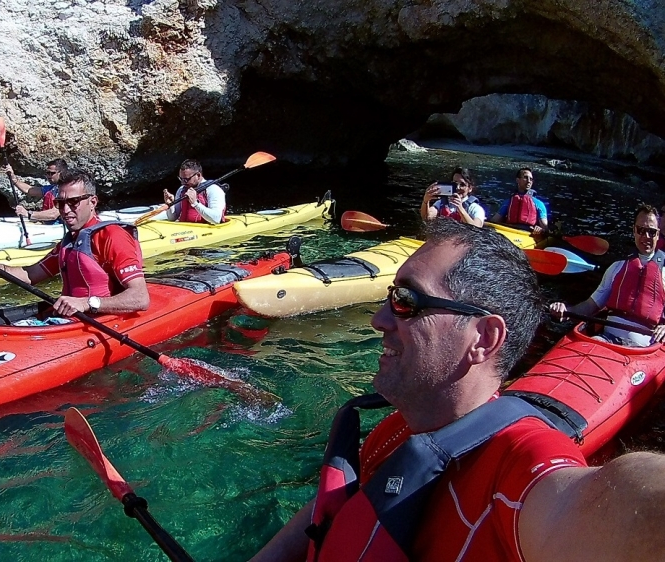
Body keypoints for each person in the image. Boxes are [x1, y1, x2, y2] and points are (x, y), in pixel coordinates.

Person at [252, 219, 665, 562]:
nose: (378, 319)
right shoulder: (396, 430)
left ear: (483, 338)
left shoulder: (519, 466)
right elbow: (333, 511)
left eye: (405, 301)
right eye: (388, 297)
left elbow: (615, 503)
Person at [0, 169, 150, 317]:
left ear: (93, 202)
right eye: (60, 203)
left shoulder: (112, 236)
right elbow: (30, 275)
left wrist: (86, 303)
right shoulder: (70, 241)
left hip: (99, 320)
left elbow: (140, 298)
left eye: (73, 202)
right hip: (70, 319)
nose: (65, 210)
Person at [549, 204, 665, 347]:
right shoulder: (617, 267)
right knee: (595, 341)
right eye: (641, 230)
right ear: (634, 231)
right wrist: (566, 311)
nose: (646, 236)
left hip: (645, 350)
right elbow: (590, 306)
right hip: (607, 341)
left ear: (658, 234)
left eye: (651, 232)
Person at [162, 159, 226, 224]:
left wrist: (195, 203)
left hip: (205, 230)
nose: (182, 183)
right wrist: (170, 204)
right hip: (185, 229)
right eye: (181, 179)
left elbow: (216, 219)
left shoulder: (213, 189)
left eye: (186, 179)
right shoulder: (181, 189)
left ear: (198, 175)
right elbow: (172, 218)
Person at [490, 167, 549, 237]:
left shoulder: (539, 204)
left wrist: (540, 230)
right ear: (518, 180)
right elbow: (493, 221)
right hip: (510, 231)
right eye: (525, 178)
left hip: (528, 234)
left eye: (531, 179)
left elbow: (545, 228)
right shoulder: (509, 202)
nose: (529, 181)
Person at [6, 158, 69, 223]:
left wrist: (28, 214)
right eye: (47, 173)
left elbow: (53, 214)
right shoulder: (51, 189)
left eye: (52, 173)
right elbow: (29, 190)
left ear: (61, 173)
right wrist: (14, 179)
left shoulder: (68, 192)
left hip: (60, 228)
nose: (48, 176)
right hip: (49, 226)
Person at [420, 167, 486, 227]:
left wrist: (460, 208)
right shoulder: (441, 203)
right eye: (455, 184)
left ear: (470, 188)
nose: (458, 188)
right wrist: (426, 201)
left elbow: (477, 228)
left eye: (462, 185)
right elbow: (426, 218)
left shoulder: (475, 209)